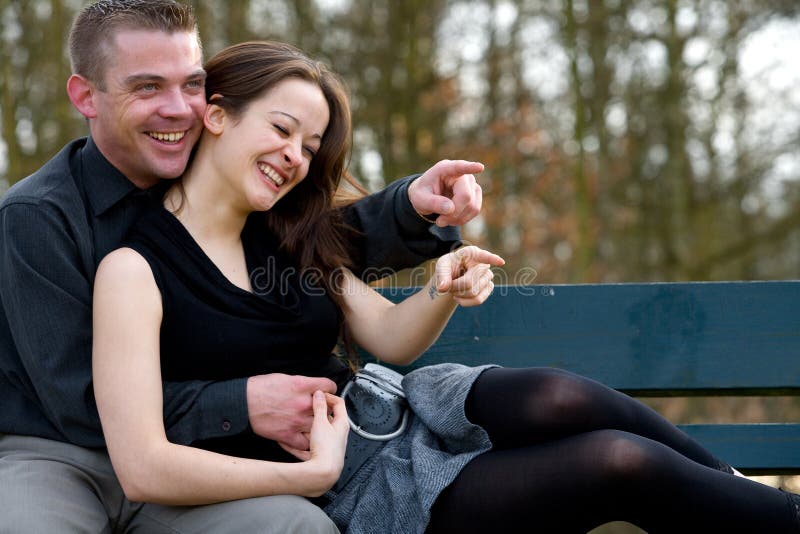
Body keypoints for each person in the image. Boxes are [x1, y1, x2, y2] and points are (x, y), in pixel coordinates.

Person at [92, 39, 800, 534]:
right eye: (282, 130)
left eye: (309, 147)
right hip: (358, 488)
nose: (295, 159)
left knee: (562, 393)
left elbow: (388, 338)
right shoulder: (133, 270)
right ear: (217, 114)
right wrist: (305, 479)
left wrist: (440, 287)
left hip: (403, 413)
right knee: (618, 463)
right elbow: (144, 469)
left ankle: (739, 492)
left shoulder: (286, 233)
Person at [0, 1, 484, 533]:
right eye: (147, 88)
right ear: (85, 96)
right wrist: (242, 402)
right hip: (60, 456)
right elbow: (80, 402)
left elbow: (308, 246)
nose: (178, 109)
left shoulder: (206, 179)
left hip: (189, 465)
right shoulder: (37, 219)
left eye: (190, 85)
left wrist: (411, 205)